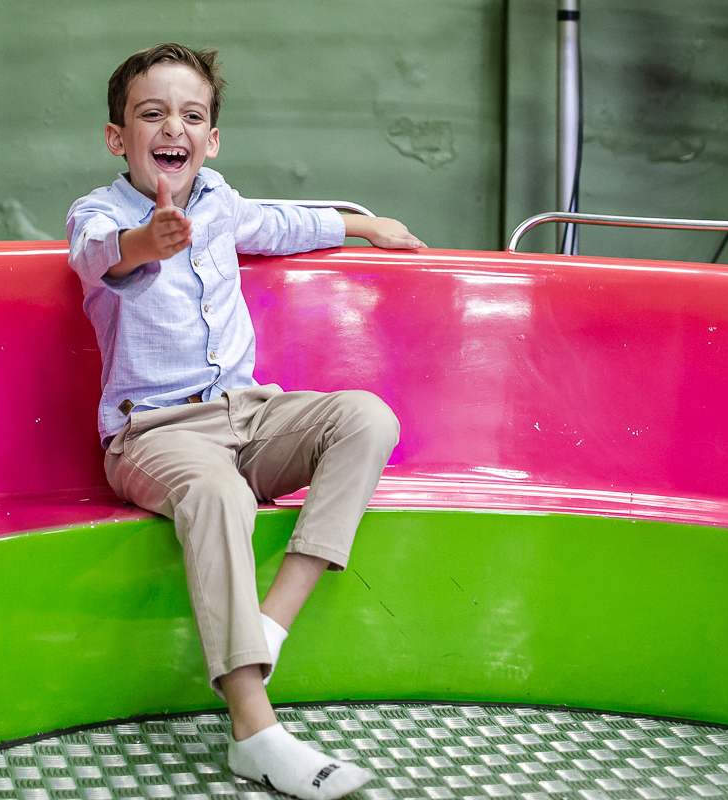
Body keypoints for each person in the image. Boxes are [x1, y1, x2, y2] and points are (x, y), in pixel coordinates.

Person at [66, 44, 425, 800]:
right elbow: (101, 256)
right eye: (152, 113)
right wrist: (146, 243)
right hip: (152, 433)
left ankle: (269, 626)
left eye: (191, 116)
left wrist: (366, 224)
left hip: (248, 415)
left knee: (366, 419)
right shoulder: (100, 215)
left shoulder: (219, 200)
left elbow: (280, 222)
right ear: (117, 137)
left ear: (212, 138)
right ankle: (255, 732)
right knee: (221, 496)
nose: (174, 128)